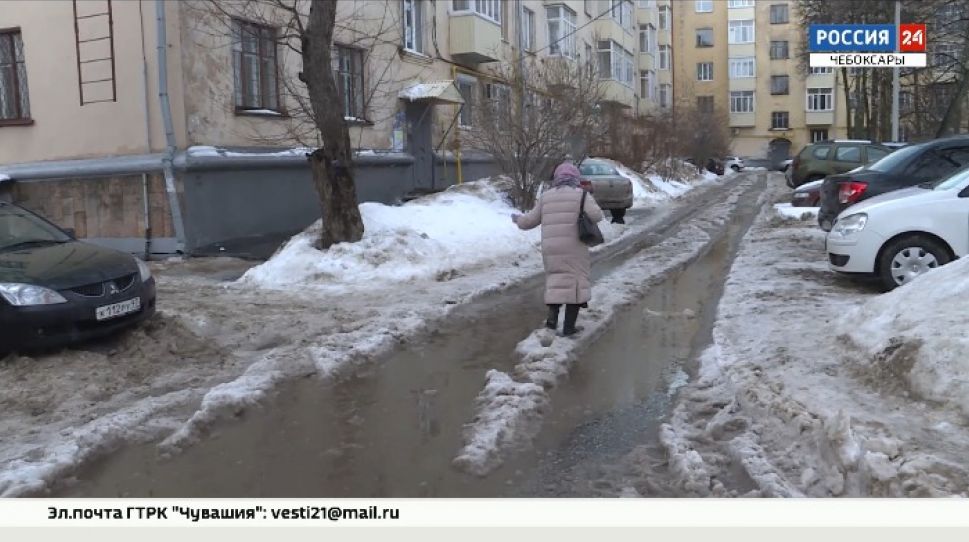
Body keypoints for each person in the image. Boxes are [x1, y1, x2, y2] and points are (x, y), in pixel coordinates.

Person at [512, 162, 604, 337]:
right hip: (575, 246)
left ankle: (552, 323)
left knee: (556, 282)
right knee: (575, 283)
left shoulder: (546, 197)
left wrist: (517, 219)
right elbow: (597, 216)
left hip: (551, 248)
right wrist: (589, 197)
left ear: (556, 178)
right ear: (576, 178)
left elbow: (529, 221)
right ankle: (569, 327)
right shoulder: (581, 195)